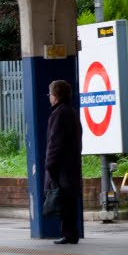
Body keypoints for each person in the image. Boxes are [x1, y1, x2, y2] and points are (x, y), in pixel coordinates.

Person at [45, 79, 83, 244]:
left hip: (62, 167)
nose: (49, 97)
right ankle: (70, 234)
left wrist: (50, 164)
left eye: (50, 94)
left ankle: (69, 235)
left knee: (64, 200)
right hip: (72, 164)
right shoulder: (72, 112)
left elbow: (55, 143)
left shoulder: (58, 114)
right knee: (69, 201)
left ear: (55, 96)